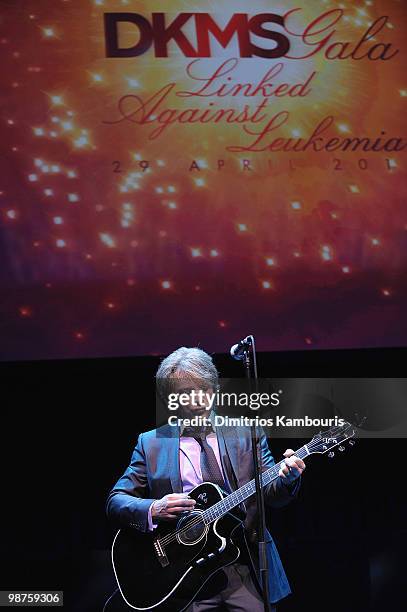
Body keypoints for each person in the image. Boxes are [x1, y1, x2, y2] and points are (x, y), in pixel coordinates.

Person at [106, 347, 305, 611]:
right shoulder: (151, 442)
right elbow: (116, 501)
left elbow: (271, 493)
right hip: (185, 571)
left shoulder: (247, 433)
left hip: (244, 562)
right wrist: (154, 508)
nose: (198, 400)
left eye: (204, 390)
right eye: (186, 393)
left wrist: (288, 478)